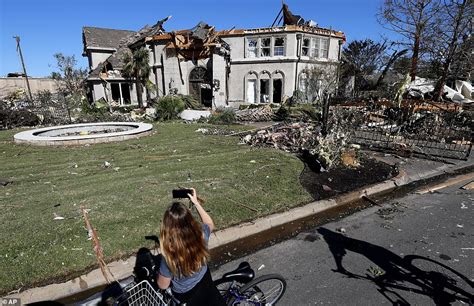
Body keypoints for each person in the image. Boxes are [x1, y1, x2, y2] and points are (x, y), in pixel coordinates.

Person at [157, 188, 225, 305]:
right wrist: (196, 203)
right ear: (190, 220)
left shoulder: (169, 255)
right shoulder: (201, 235)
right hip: (205, 280)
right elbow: (210, 224)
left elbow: (163, 285)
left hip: (186, 294)